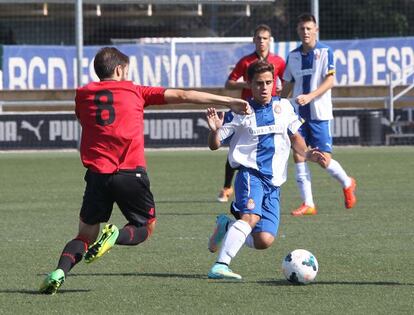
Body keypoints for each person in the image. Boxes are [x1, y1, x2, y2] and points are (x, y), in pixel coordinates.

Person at [39, 47, 251, 294]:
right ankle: (115, 236)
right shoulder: (135, 91)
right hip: (130, 173)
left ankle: (59, 272)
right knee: (145, 227)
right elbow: (183, 95)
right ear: (119, 70)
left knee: (84, 235)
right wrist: (230, 101)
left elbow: (84, 120)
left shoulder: (83, 94)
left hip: (97, 176)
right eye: (126, 71)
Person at [206, 60, 325, 280]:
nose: (264, 87)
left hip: (274, 183)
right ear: (249, 84)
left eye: (268, 82)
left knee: (264, 240)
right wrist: (214, 131)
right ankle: (220, 265)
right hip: (250, 174)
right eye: (259, 83)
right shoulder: (240, 111)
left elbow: (295, 137)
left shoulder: (285, 107)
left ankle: (228, 225)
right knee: (250, 216)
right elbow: (214, 145)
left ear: (274, 83)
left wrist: (307, 153)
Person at [281, 13, 357, 216]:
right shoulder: (293, 56)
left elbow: (330, 81)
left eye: (308, 28)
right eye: (301, 29)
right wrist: (276, 104)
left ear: (316, 30)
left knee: (323, 160)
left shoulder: (325, 52)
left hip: (319, 114)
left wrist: (310, 96)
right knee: (298, 154)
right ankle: (309, 203)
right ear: (297, 31)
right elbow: (287, 84)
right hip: (298, 115)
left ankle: (347, 182)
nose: (305, 32)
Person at [217, 23, 286, 203]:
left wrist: (281, 97)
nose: (261, 41)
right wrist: (246, 85)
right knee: (235, 148)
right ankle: (227, 187)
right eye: (258, 38)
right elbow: (229, 83)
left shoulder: (278, 61)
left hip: (268, 111)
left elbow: (286, 82)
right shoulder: (246, 62)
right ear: (253, 40)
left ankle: (265, 186)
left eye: (265, 38)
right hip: (247, 111)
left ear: (269, 40)